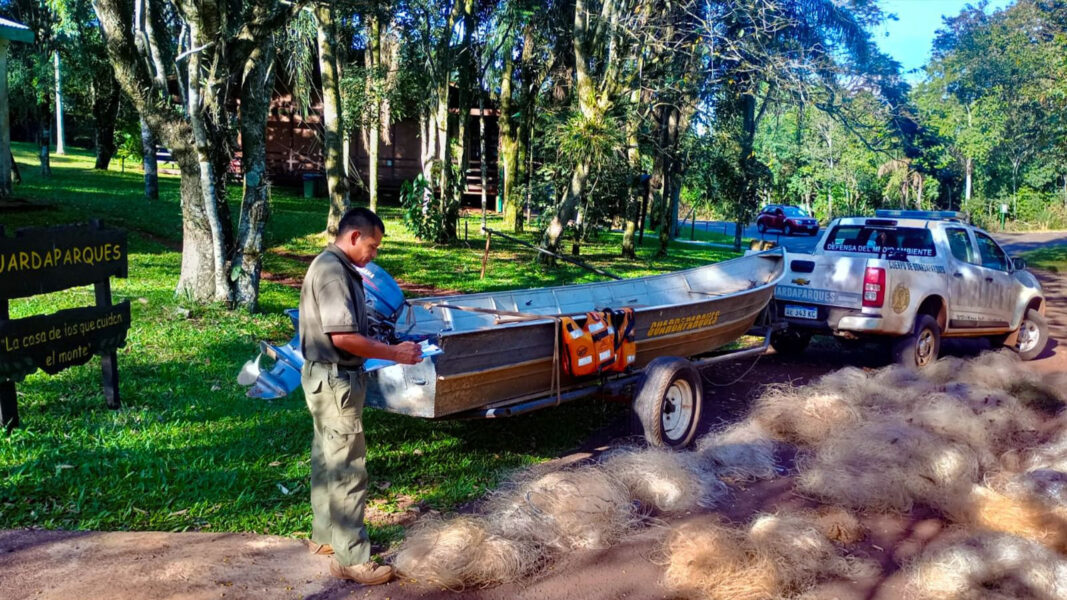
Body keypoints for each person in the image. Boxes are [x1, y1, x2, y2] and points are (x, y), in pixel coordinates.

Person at [298, 207, 421, 585]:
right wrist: (396, 353)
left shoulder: (331, 264)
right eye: (373, 245)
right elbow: (343, 338)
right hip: (336, 380)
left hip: (322, 378)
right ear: (354, 237)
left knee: (327, 458)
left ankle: (324, 537)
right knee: (349, 467)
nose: (374, 255)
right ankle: (352, 557)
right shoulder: (334, 272)